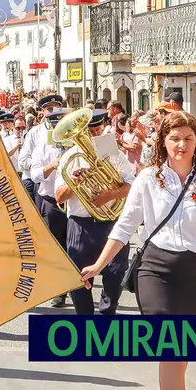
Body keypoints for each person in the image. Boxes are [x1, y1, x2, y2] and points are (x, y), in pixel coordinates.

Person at [81, 111, 196, 390]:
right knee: (171, 346)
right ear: (163, 142)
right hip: (155, 270)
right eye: (174, 138)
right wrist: (98, 264)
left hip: (195, 275)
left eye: (188, 138)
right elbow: (125, 225)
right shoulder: (149, 178)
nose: (181, 144)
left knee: (180, 355)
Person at [54, 109, 134, 315]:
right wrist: (74, 182)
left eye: (97, 130)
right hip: (81, 227)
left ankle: (107, 317)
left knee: (115, 276)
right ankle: (85, 322)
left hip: (112, 224)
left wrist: (109, 195)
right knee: (79, 280)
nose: (93, 136)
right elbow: (59, 197)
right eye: (89, 131)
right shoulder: (70, 157)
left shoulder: (113, 153)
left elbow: (133, 186)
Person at [28, 103, 70, 308]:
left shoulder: (78, 144)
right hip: (51, 201)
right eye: (57, 127)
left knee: (76, 247)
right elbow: (34, 175)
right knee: (57, 248)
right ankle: (60, 290)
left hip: (76, 201)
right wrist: (52, 165)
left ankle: (79, 285)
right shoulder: (42, 148)